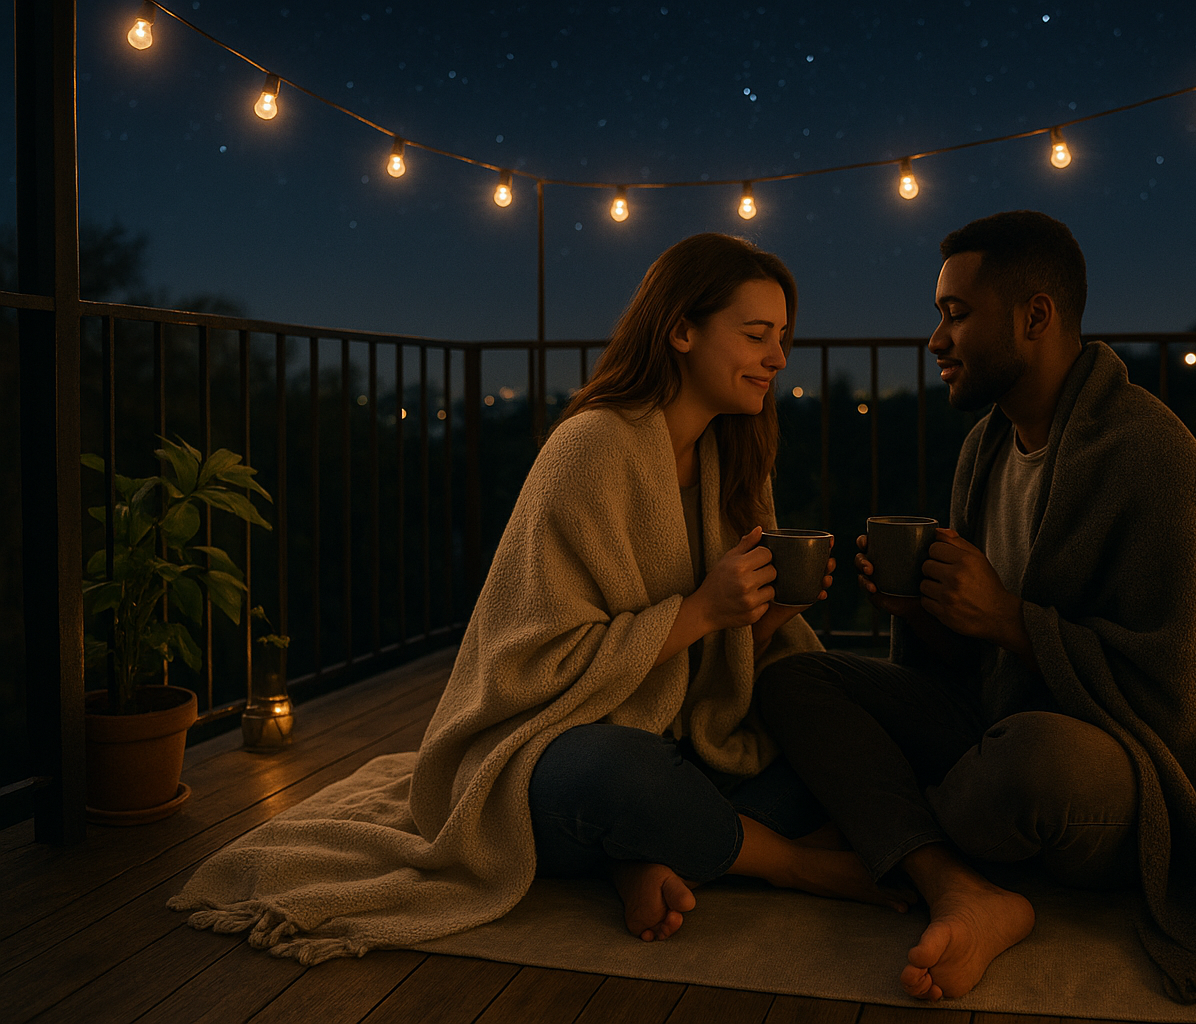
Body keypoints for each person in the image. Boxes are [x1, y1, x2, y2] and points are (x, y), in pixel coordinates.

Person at [171, 233, 894, 963]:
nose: (778, 357)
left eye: (784, 337)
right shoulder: (591, 448)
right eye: (757, 335)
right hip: (551, 750)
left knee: (825, 729)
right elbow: (535, 667)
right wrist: (705, 609)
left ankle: (644, 855)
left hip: (683, 741)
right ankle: (789, 863)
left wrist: (764, 619)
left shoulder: (731, 459)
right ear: (681, 329)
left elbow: (716, 676)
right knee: (617, 775)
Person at [758, 211, 1196, 1011]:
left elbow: (1183, 699)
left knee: (1028, 766)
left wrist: (1007, 616)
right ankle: (951, 876)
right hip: (994, 719)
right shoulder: (987, 447)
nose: (936, 340)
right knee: (797, 680)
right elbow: (975, 670)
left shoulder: (1149, 458)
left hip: (1131, 768)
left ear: (1034, 316)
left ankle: (873, 830)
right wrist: (928, 612)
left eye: (956, 314)